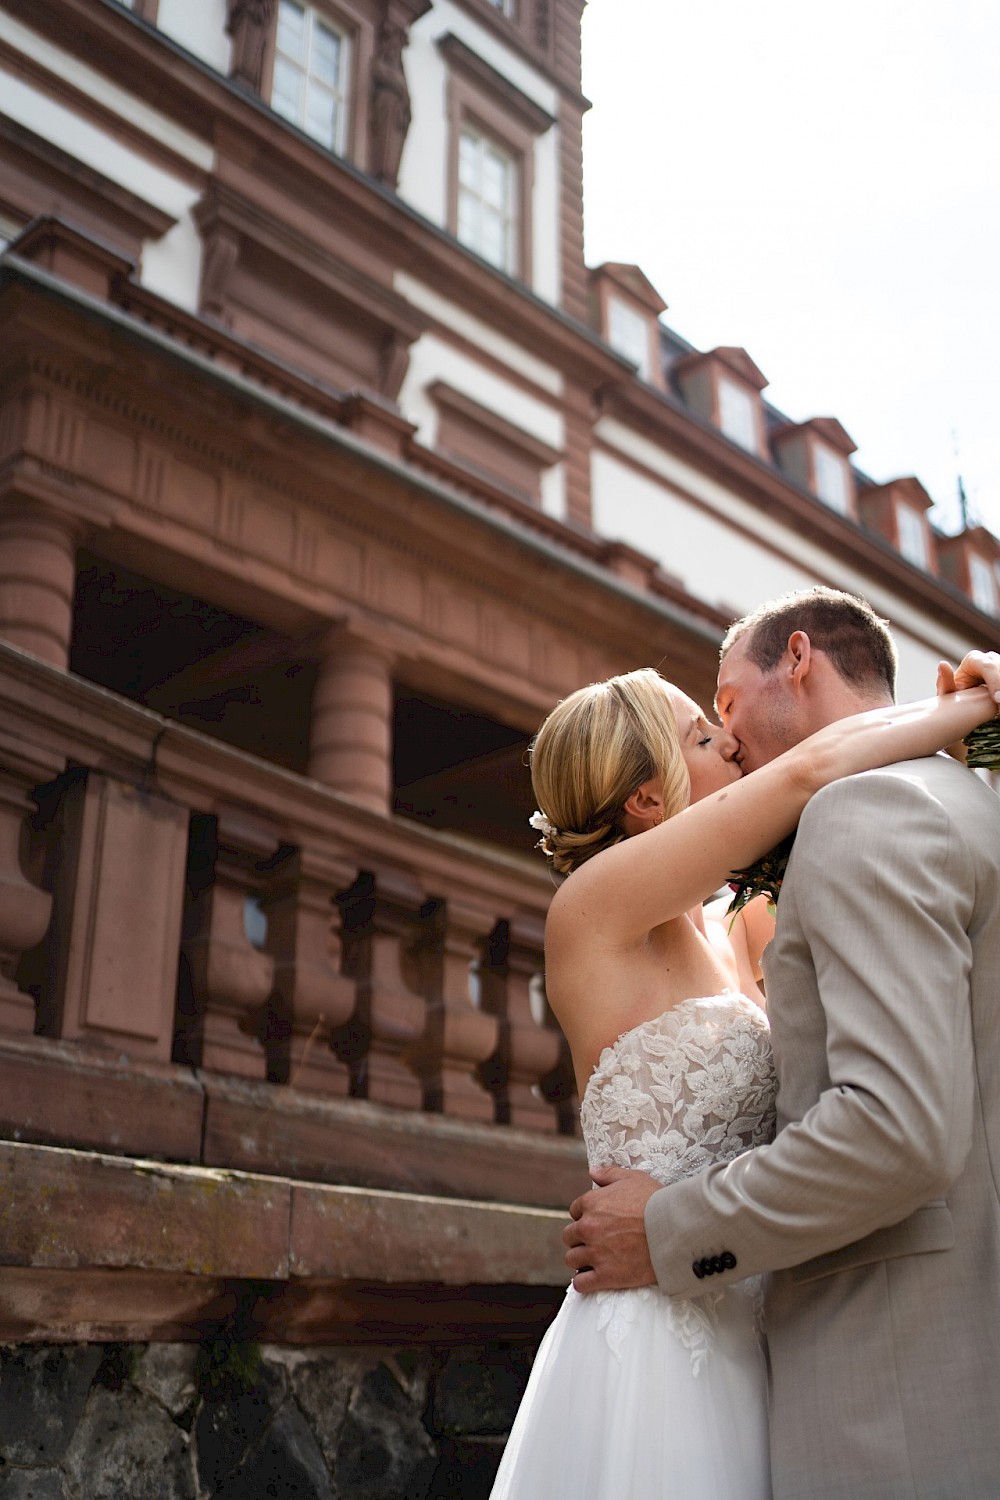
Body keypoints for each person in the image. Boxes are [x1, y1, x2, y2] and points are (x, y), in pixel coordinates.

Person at [561, 589, 1000, 1500]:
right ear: (647, 794)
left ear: (797, 661)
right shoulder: (595, 909)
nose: (728, 741)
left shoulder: (757, 909)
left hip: (774, 1323)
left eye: (723, 707)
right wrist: (966, 711)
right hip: (669, 1335)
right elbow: (808, 775)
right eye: (703, 732)